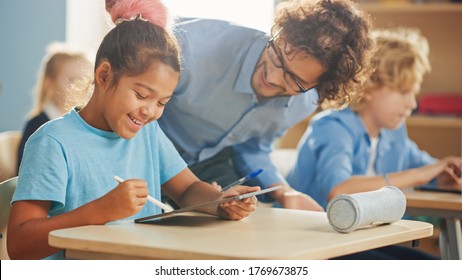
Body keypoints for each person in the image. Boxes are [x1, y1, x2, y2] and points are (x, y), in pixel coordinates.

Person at [7, 0, 258, 260]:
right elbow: (19, 246)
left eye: (161, 102)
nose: (150, 111)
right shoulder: (53, 142)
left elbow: (187, 189)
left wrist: (219, 202)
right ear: (104, 76)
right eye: (141, 95)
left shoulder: (147, 133)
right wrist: (100, 211)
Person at [155, 0, 374, 210]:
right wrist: (185, 182)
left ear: (321, 85)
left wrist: (284, 192)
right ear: (280, 32)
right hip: (150, 146)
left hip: (209, 163)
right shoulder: (189, 47)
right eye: (278, 56)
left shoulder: (304, 101)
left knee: (245, 224)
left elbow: (251, 149)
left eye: (294, 80)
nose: (274, 77)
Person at [286, 27, 462, 210]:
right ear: (367, 87)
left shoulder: (393, 133)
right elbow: (338, 191)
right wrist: (419, 175)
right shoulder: (332, 128)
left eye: (413, 93)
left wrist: (445, 178)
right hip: (312, 234)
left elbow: (430, 170)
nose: (412, 104)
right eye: (403, 92)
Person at [16, 42, 92, 173]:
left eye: (84, 80)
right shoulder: (37, 126)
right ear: (49, 84)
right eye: (72, 80)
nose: (80, 87)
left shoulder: (84, 125)